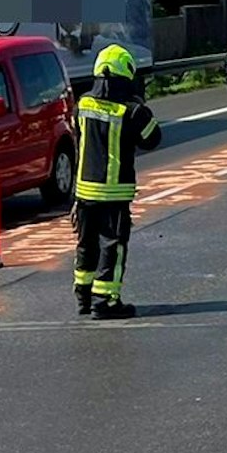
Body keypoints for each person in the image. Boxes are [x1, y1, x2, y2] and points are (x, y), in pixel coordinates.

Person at [71, 45, 162, 319]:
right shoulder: (131, 111)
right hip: (113, 193)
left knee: (86, 244)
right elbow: (152, 139)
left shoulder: (83, 104)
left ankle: (84, 297)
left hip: (84, 191)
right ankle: (106, 301)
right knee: (113, 244)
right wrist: (140, 106)